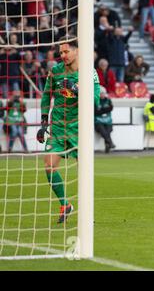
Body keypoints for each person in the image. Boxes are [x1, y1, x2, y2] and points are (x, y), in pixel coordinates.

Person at [36, 36, 101, 223]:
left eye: (66, 51)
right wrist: (43, 122)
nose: (62, 55)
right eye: (60, 52)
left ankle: (87, 212)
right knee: (49, 166)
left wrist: (78, 89)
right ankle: (65, 204)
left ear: (77, 51)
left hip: (79, 128)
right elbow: (46, 97)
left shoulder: (89, 72)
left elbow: (95, 101)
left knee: (85, 169)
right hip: (57, 127)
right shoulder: (55, 71)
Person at [95, 87, 115, 153]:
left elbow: (110, 108)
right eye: (101, 93)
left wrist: (102, 111)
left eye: (103, 93)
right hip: (98, 121)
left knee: (108, 131)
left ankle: (108, 144)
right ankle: (110, 143)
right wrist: (104, 110)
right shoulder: (96, 101)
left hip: (108, 121)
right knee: (103, 130)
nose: (102, 95)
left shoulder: (108, 100)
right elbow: (95, 112)